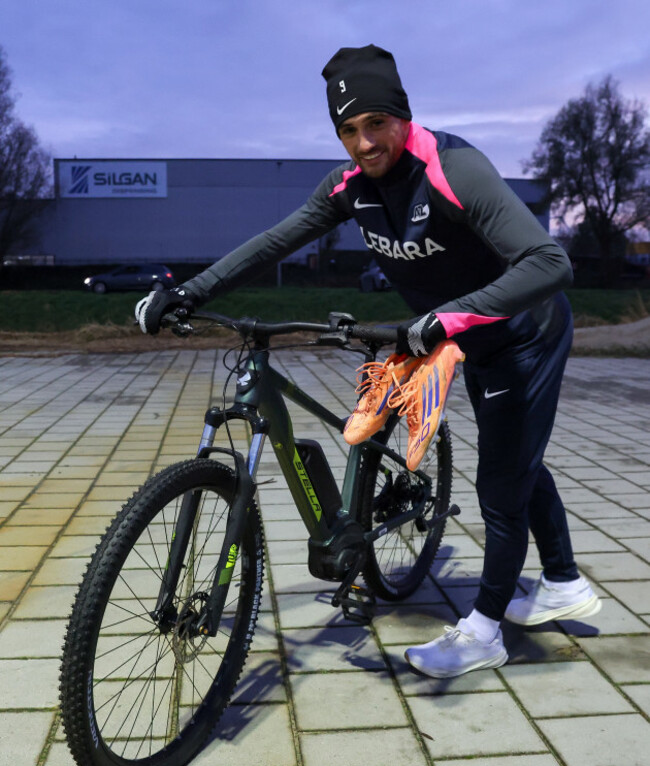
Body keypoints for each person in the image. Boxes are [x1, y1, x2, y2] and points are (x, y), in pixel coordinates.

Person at [135, 44, 601, 679]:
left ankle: (487, 630)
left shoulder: (455, 169)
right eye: (348, 130)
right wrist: (191, 290)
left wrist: (444, 317)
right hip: (459, 336)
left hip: (527, 334)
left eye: (376, 123)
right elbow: (276, 240)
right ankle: (563, 581)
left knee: (500, 482)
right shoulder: (348, 187)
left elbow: (552, 264)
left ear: (403, 117)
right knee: (517, 455)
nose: (364, 143)